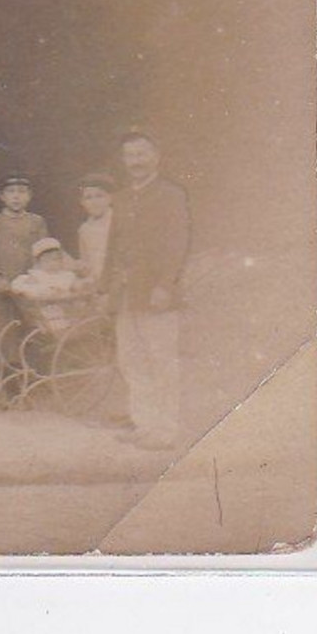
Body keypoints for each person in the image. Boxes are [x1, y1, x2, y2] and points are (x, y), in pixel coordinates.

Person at [107, 130, 191, 451]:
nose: (136, 162)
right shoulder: (122, 197)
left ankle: (166, 430)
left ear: (156, 157)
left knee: (161, 361)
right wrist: (106, 287)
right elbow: (114, 245)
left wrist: (165, 285)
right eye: (130, 156)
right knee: (132, 360)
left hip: (157, 294)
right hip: (127, 292)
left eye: (142, 154)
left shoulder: (171, 194)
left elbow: (178, 243)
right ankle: (144, 425)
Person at [0, 173, 50, 374]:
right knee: (4, 334)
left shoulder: (37, 222)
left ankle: (32, 378)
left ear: (29, 196)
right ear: (2, 196)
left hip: (29, 289)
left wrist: (39, 278)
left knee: (31, 332)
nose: (16, 197)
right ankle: (8, 382)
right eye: (11, 192)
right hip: (2, 291)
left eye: (21, 192)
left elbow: (45, 253)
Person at [75, 172, 117, 287]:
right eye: (88, 198)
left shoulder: (119, 222)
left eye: (99, 196)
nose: (94, 202)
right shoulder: (84, 229)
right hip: (96, 285)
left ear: (110, 198)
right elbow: (86, 261)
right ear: (82, 203)